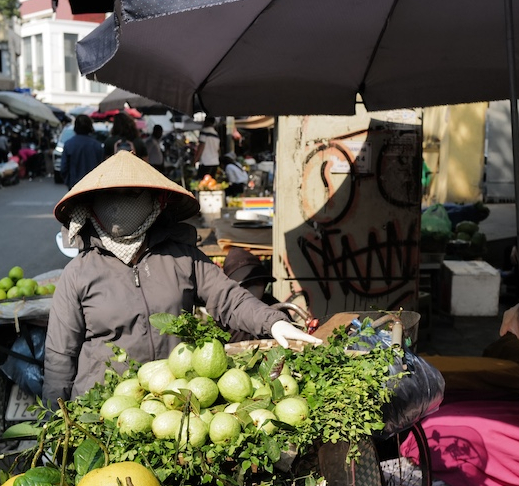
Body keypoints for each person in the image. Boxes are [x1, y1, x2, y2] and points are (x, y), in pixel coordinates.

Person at [43, 152, 320, 405]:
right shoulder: (78, 273)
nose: (120, 204)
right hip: (103, 407)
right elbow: (60, 355)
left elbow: (229, 299)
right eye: (112, 196)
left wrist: (274, 324)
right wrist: (57, 420)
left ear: (155, 201)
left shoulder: (183, 257)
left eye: (132, 193)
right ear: (92, 207)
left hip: (173, 405)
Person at [61, 114, 106, 189]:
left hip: (75, 185)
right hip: (93, 186)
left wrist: (69, 181)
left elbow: (64, 168)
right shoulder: (97, 146)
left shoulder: (68, 144)